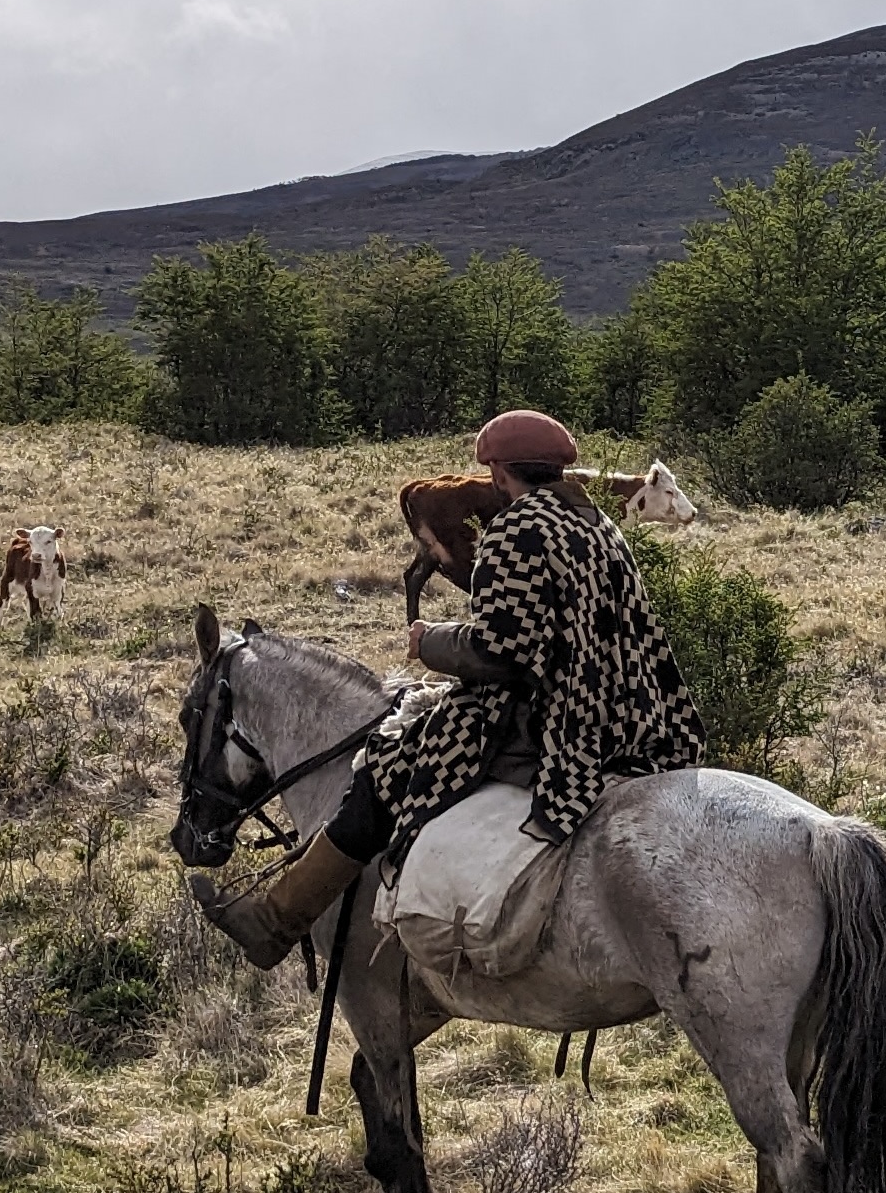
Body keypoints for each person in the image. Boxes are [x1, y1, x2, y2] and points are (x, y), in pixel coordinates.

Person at [203, 409, 706, 968]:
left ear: (498, 474)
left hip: (552, 721)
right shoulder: (600, 526)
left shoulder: (517, 528)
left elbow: (500, 651)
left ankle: (277, 920)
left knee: (385, 770)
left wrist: (431, 643)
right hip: (633, 715)